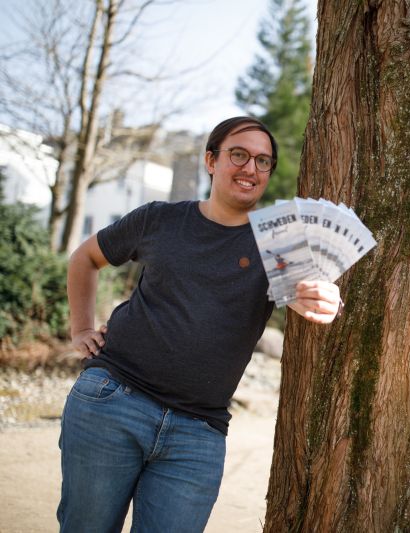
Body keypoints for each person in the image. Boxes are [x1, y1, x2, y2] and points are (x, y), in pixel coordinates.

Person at [58, 116, 342, 532]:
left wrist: (328, 300)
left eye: (263, 162)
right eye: (239, 155)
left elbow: (313, 296)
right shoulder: (158, 219)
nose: (251, 169)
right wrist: (81, 328)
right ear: (211, 160)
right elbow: (85, 258)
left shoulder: (278, 243)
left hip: (197, 435)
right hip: (113, 403)